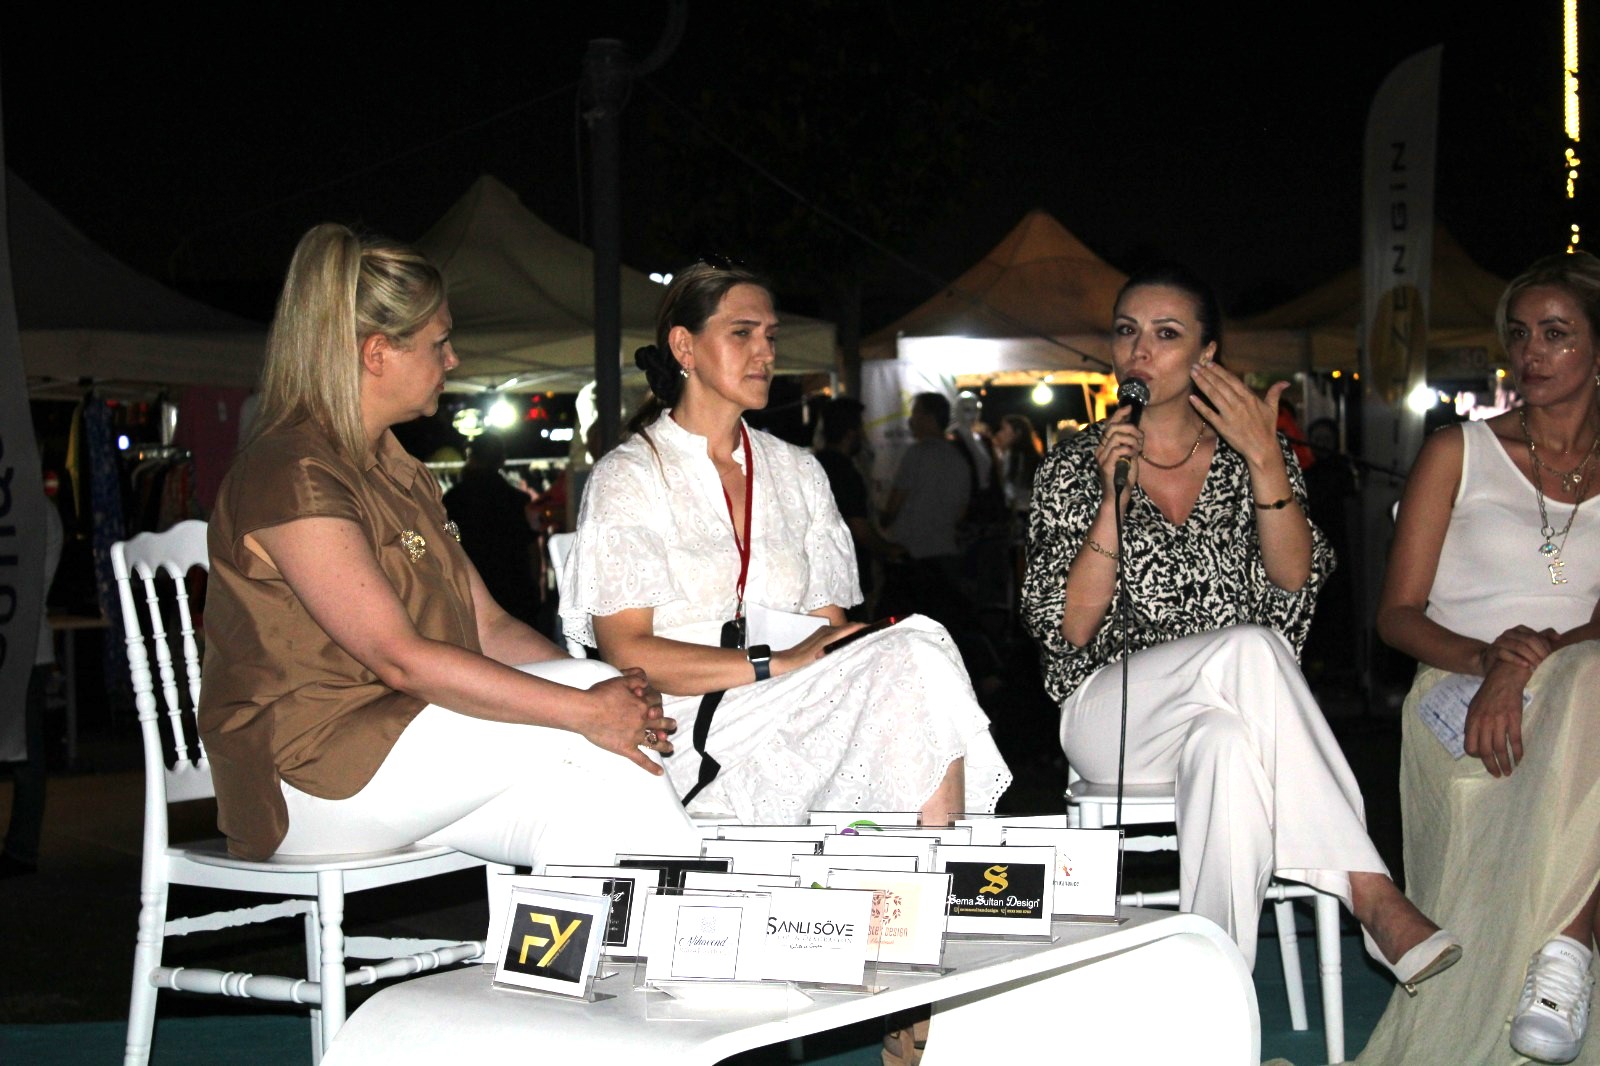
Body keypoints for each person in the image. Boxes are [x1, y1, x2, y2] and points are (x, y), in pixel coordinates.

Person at [198, 224, 697, 867]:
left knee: (585, 814)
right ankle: (710, 906)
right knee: (587, 712)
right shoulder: (293, 472)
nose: (453, 360)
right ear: (378, 353)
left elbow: (489, 627)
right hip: (309, 780)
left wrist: (608, 701)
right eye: (439, 343)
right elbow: (399, 659)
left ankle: (634, 923)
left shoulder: (397, 471)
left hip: (401, 745)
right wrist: (584, 704)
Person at [1020, 263, 1458, 980]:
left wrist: (1262, 457)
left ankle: (1211, 999)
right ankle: (1371, 890)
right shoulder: (1074, 464)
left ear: (1208, 354)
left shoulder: (1255, 453)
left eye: (1166, 334)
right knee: (1250, 648)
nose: (1140, 350)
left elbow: (1294, 579)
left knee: (1226, 746)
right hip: (1110, 718)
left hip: (1233, 712)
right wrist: (1110, 501)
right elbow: (1070, 630)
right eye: (1127, 331)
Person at [559, 261, 1011, 827]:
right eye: (742, 333)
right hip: (681, 719)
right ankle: (931, 860)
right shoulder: (631, 474)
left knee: (916, 648)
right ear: (684, 346)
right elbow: (629, 653)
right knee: (914, 657)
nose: (765, 353)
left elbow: (828, 633)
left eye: (770, 336)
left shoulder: (798, 471)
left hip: (792, 700)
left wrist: (811, 659)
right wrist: (774, 662)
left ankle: (923, 859)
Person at [1358, 252, 1600, 1065]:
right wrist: (1490, 658)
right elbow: (1396, 616)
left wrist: (1531, 662)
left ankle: (1562, 952)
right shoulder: (1457, 451)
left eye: (1556, 334)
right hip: (1456, 687)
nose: (1532, 352)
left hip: (1573, 681)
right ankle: (1565, 961)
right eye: (1521, 335)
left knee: (1590, 680)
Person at [1, 489, 62, 877]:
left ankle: (22, 847)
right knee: (27, 752)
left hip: (23, 644)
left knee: (26, 754)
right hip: (28, 642)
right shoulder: (42, 509)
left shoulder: (34, 509)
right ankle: (22, 847)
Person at [813, 396, 904, 618]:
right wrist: (890, 550)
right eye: (861, 428)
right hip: (849, 579)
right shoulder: (846, 472)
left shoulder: (815, 464)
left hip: (821, 576)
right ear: (850, 433)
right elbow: (859, 528)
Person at [441, 432, 541, 627]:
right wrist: (535, 587)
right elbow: (531, 548)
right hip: (514, 588)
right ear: (501, 460)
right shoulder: (517, 500)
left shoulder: (453, 500)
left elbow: (447, 547)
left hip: (472, 587)